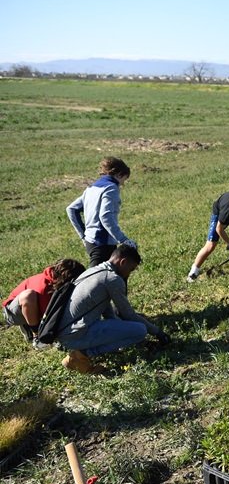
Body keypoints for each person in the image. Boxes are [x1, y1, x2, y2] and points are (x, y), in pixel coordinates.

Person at [56, 245, 171, 374]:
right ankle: (81, 355)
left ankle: (82, 350)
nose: (129, 274)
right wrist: (158, 332)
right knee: (140, 330)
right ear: (123, 262)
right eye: (131, 269)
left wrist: (135, 338)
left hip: (65, 334)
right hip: (76, 336)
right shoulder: (113, 279)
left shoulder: (93, 271)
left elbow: (108, 312)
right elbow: (129, 315)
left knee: (127, 328)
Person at [67, 157, 138, 267]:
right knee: (96, 280)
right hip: (103, 243)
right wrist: (123, 240)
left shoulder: (91, 188)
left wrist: (83, 236)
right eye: (124, 178)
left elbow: (71, 209)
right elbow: (105, 216)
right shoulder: (111, 188)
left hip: (91, 242)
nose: (123, 183)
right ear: (119, 174)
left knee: (110, 278)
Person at [2, 259, 86, 344]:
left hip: (29, 307)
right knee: (28, 296)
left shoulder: (54, 279)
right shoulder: (43, 288)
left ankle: (30, 323)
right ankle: (36, 335)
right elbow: (50, 318)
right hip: (12, 313)